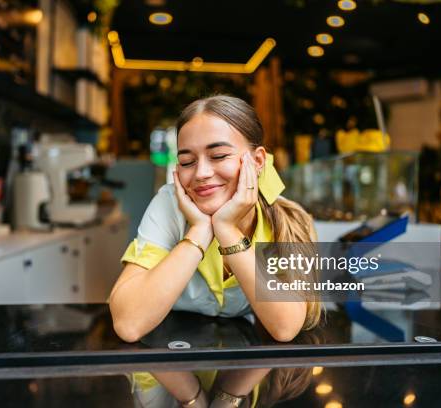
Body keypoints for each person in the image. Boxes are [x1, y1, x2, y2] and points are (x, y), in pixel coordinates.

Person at [109, 95, 321, 406]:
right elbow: (128, 324)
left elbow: (285, 327)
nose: (201, 174)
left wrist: (226, 229)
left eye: (218, 155)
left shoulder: (289, 221)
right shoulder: (170, 204)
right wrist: (198, 233)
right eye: (186, 161)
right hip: (163, 371)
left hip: (247, 370)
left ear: (257, 161)